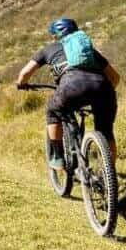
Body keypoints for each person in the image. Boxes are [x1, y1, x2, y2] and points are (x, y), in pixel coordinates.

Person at [15, 18, 120, 169]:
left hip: (71, 86)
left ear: (55, 36)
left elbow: (25, 73)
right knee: (106, 131)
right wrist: (106, 91)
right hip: (102, 86)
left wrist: (21, 83)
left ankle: (57, 156)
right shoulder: (88, 50)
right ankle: (109, 173)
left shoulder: (48, 49)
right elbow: (115, 77)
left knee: (53, 111)